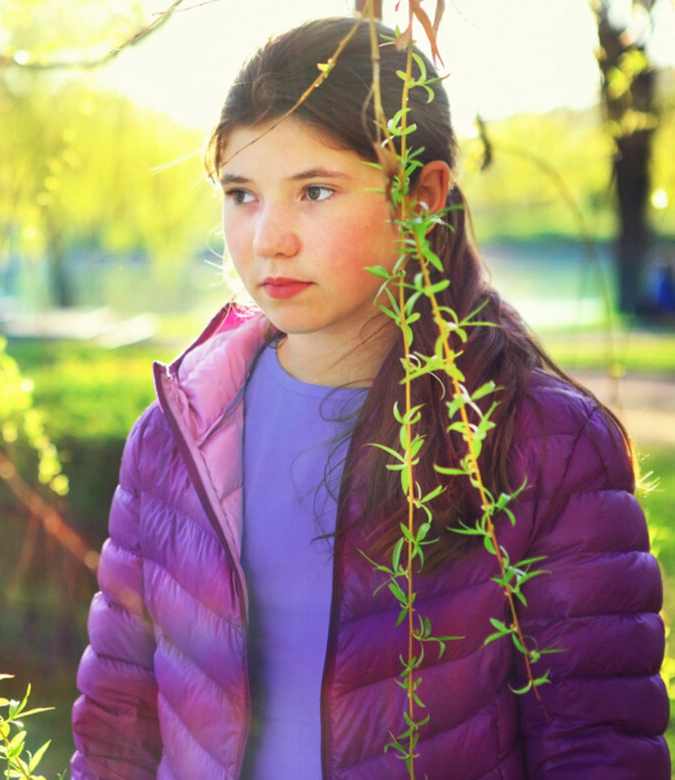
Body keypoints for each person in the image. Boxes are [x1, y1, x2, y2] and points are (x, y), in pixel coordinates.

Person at [70, 15, 668, 779]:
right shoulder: (176, 435)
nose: (268, 239)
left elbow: (599, 750)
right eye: (242, 194)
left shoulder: (540, 442)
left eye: (315, 191)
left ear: (421, 196)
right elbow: (117, 723)